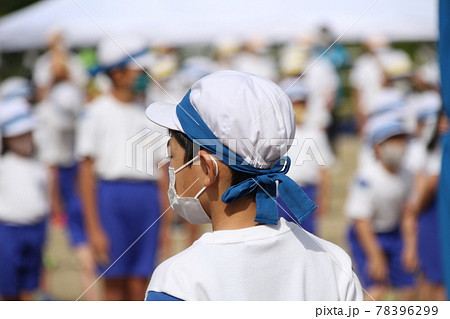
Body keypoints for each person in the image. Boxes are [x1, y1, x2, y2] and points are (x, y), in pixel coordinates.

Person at [145, 70, 362, 301]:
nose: (172, 169)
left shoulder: (178, 281)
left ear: (208, 169)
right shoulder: (335, 263)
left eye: (172, 157)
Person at [76, 35, 170, 301]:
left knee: (142, 282)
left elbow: (161, 169)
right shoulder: (95, 112)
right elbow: (85, 171)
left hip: (146, 198)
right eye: (138, 71)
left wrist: (164, 223)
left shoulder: (151, 113)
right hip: (111, 198)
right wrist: (94, 229)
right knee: (114, 283)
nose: (145, 76)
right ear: (116, 74)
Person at [345, 114, 416, 301]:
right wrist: (375, 255)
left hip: (395, 234)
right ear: (377, 148)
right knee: (376, 290)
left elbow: (407, 213)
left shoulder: (407, 175)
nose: (399, 146)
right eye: (392, 141)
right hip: (367, 236)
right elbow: (361, 221)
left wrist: (410, 246)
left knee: (409, 289)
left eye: (401, 140)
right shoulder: (366, 179)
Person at [0, 97, 49, 301]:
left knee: (29, 288)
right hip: (8, 231)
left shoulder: (37, 165)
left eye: (28, 135)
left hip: (35, 230)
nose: (25, 140)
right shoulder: (4, 165)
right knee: (7, 288)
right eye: (18, 136)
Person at [276, 78, 335, 235]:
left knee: (309, 238)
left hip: (307, 192)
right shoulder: (275, 134)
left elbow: (324, 169)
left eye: (302, 104)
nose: (299, 108)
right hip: (280, 193)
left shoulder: (315, 133)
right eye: (295, 104)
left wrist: (323, 198)